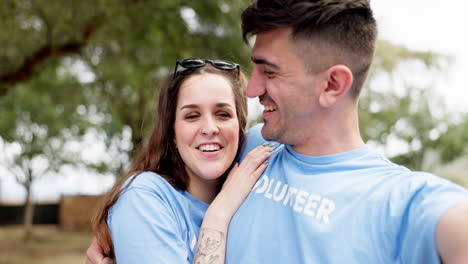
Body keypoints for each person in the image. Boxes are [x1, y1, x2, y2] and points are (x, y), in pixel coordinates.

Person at [88, 0, 468, 263]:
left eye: (269, 72)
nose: (251, 90)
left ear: (333, 85)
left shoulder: (399, 200)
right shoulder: (245, 149)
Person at [89, 58, 274, 264]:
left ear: (240, 128)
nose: (209, 128)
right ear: (173, 133)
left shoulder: (259, 174)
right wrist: (218, 215)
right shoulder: (144, 198)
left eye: (223, 114)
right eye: (192, 116)